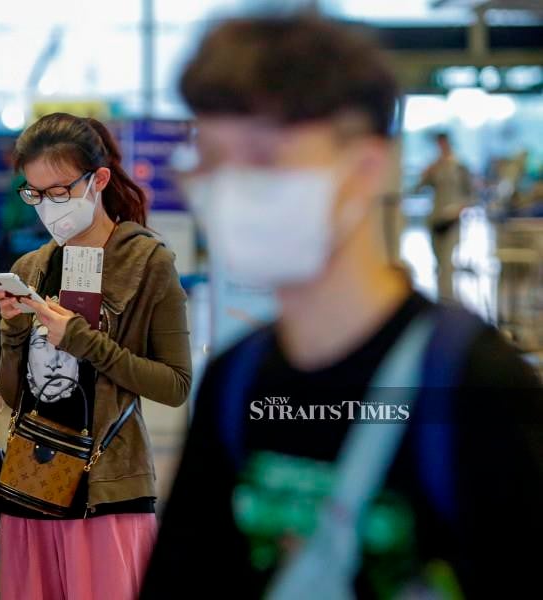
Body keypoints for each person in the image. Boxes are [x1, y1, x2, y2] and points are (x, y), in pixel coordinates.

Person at [142, 16, 542, 599]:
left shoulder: (475, 383)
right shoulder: (237, 381)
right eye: (211, 158)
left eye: (263, 156)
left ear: (365, 169)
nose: (229, 187)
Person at [0, 113, 193, 600]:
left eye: (60, 191)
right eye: (35, 193)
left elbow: (175, 384)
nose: (48, 206)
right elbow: (19, 397)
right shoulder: (32, 265)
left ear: (98, 180)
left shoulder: (146, 262)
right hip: (34, 479)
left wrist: (83, 340)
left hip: (108, 487)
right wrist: (14, 328)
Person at [415, 132, 473, 302]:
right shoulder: (435, 167)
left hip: (453, 218)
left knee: (447, 263)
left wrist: (460, 208)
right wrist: (426, 173)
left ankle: (446, 299)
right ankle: (441, 297)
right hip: (435, 217)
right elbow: (418, 188)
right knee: (439, 261)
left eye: (443, 143)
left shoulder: (460, 167)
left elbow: (470, 194)